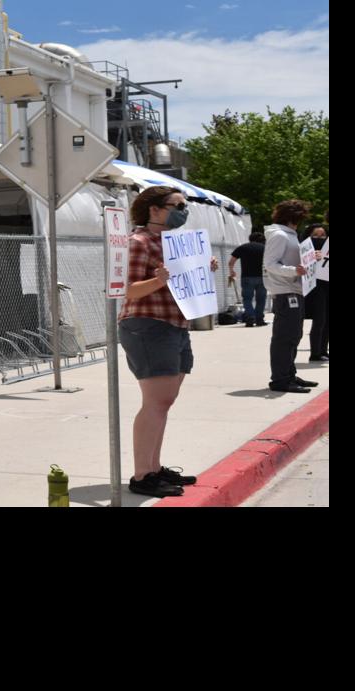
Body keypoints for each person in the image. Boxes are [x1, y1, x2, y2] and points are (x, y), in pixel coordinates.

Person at [119, 186, 218, 498]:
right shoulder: (138, 242)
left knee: (164, 401)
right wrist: (160, 279)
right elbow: (128, 289)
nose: (184, 211)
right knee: (156, 402)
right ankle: (142, 475)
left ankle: (154, 467)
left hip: (176, 325)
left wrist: (203, 268)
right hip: (149, 325)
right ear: (155, 209)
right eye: (178, 205)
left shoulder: (177, 244)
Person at [262, 201, 318, 393]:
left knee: (293, 335)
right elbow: (270, 264)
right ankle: (280, 379)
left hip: (294, 289)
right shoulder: (279, 235)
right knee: (285, 336)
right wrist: (294, 270)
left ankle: (288, 374)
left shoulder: (289, 235)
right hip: (285, 291)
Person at [227, 231, 267, 326]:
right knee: (261, 299)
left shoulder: (243, 247)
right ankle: (259, 319)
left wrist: (232, 271)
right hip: (262, 277)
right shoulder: (265, 248)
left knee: (247, 299)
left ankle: (250, 318)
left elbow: (231, 262)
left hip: (247, 277)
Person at [304, 223, 330, 362]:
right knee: (319, 320)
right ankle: (315, 353)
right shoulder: (304, 250)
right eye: (315, 236)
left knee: (327, 321)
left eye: (322, 236)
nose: (319, 238)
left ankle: (323, 350)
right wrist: (312, 258)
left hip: (327, 286)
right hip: (315, 289)